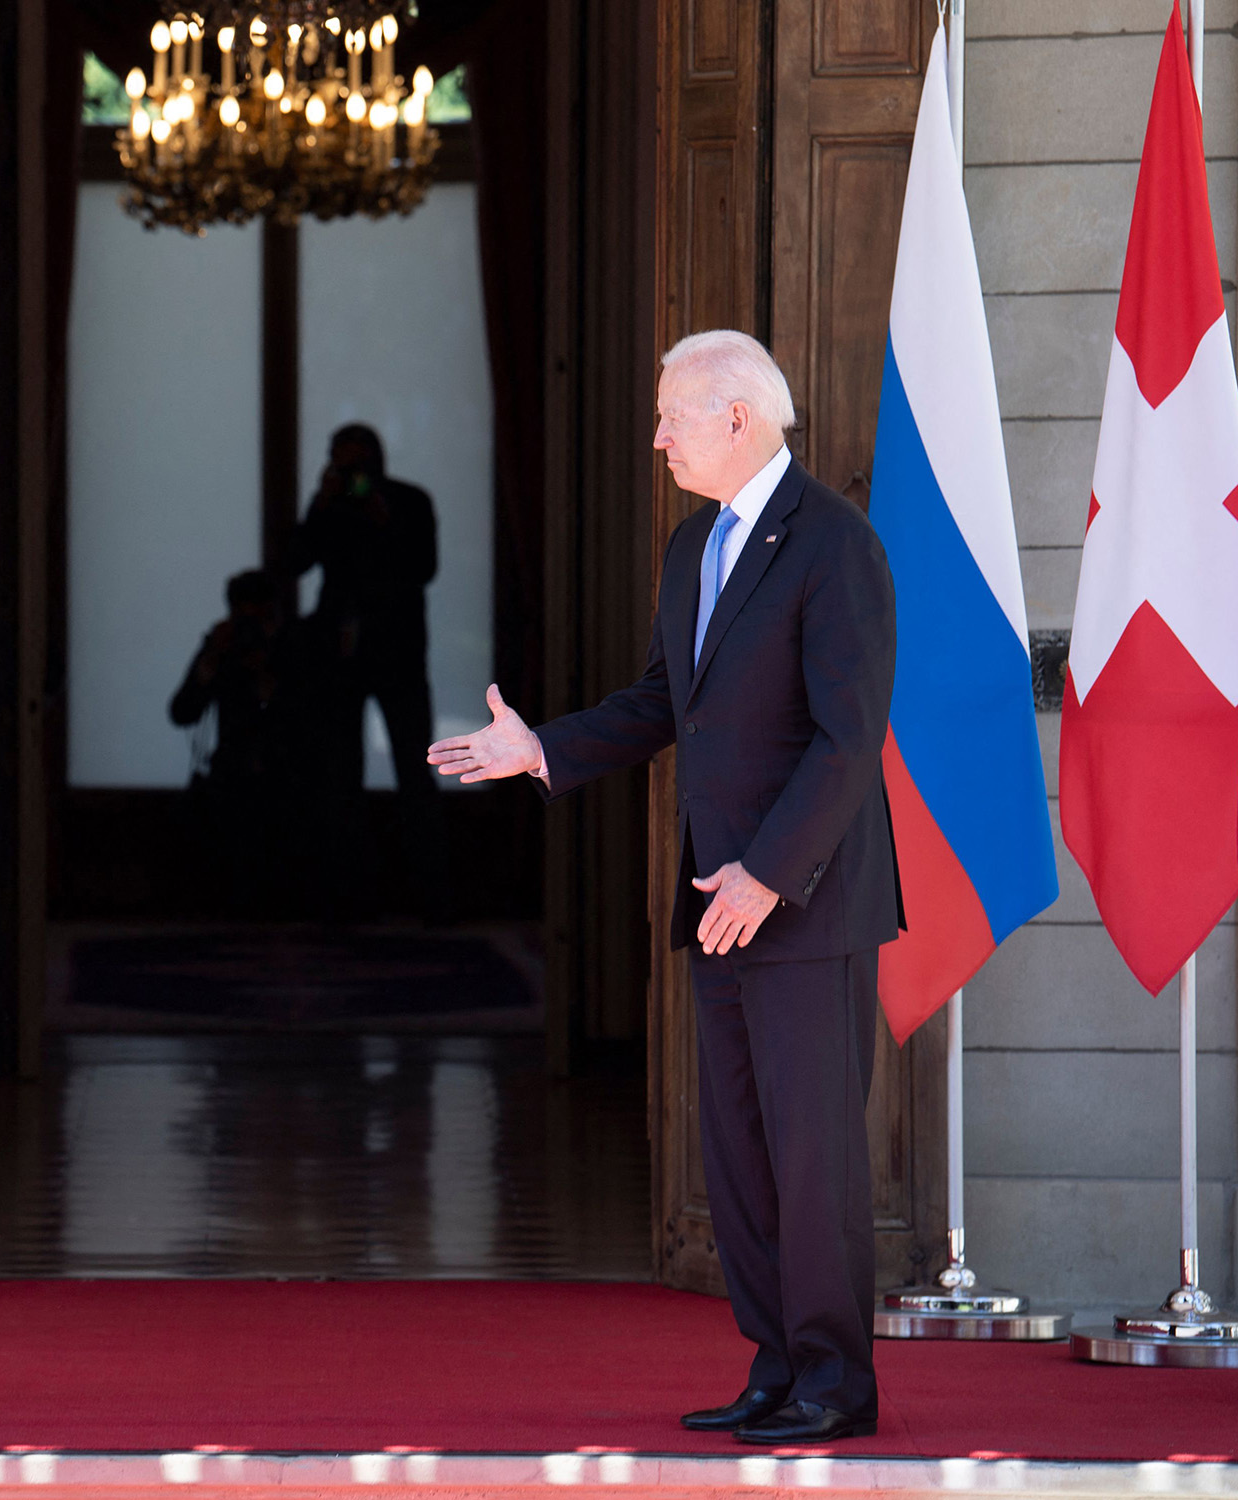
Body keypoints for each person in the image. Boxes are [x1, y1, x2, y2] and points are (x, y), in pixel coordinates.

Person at [428, 331, 901, 1446]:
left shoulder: (835, 543)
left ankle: (836, 1382)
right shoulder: (696, 544)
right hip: (714, 899)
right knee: (739, 1151)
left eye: (669, 417)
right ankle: (777, 1364)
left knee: (813, 1154)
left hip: (801, 901)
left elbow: (847, 739)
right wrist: (540, 749)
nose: (656, 438)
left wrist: (767, 874)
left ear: (736, 417)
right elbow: (660, 702)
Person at [284, 423, 445, 915]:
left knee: (416, 771)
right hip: (338, 656)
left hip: (397, 651)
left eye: (359, 465)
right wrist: (319, 504)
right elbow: (293, 561)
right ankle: (345, 897)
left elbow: (423, 568)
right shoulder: (330, 506)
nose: (353, 475)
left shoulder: (409, 501)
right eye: (343, 465)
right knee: (338, 776)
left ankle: (430, 894)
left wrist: (384, 520)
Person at [169, 569, 308, 915]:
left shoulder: (296, 647)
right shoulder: (224, 646)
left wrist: (269, 679)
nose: (251, 629)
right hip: (231, 773)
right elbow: (182, 712)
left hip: (288, 775)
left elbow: (313, 719)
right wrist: (210, 661)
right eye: (243, 618)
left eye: (261, 618)